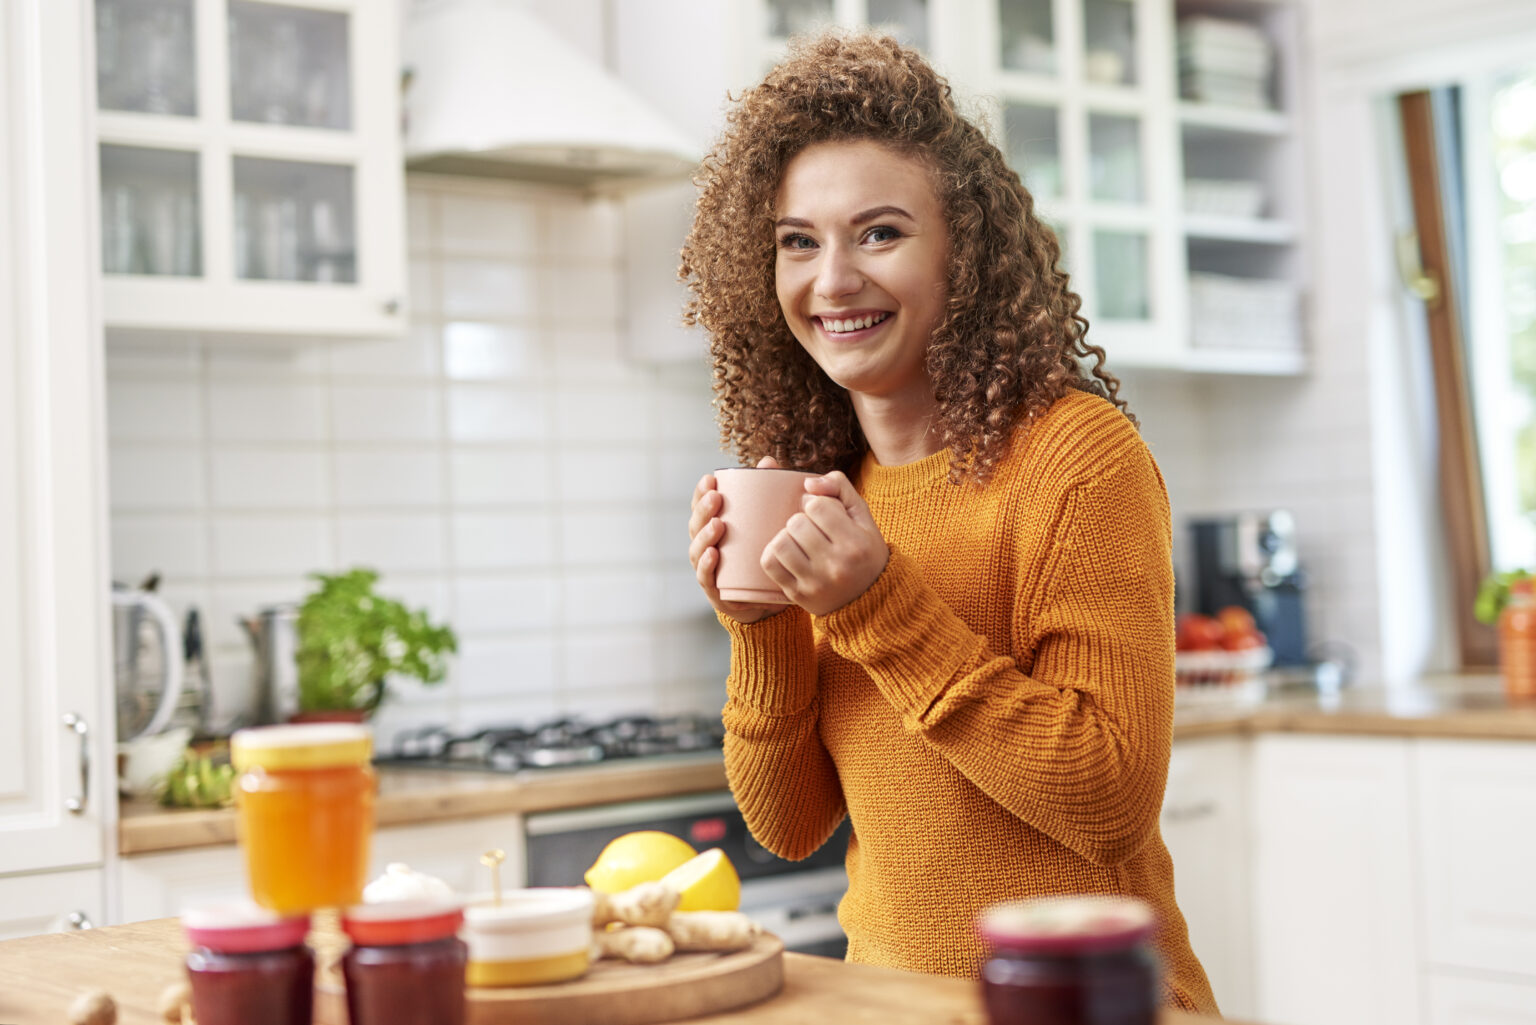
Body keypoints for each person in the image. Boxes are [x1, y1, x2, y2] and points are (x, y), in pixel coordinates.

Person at [680, 31, 1217, 1014]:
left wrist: (878, 605)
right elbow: (789, 825)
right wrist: (760, 628)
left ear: (963, 251)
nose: (831, 279)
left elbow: (1107, 799)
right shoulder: (830, 484)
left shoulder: (1076, 458)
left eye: (878, 233)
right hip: (886, 1000)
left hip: (1079, 1001)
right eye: (798, 240)